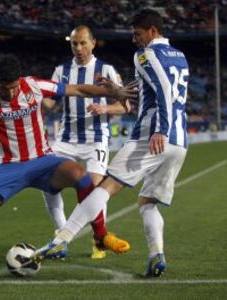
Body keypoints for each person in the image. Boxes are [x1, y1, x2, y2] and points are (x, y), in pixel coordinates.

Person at [0, 54, 137, 281]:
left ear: (19, 80)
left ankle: (100, 236)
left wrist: (113, 93)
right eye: (5, 89)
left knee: (80, 175)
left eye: (14, 87)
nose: (11, 92)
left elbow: (79, 90)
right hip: (7, 167)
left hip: (42, 161)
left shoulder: (33, 86)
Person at [36, 9, 189, 278]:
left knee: (105, 187)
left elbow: (164, 91)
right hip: (180, 142)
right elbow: (154, 91)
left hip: (152, 136)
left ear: (152, 31)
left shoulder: (145, 54)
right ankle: (157, 255)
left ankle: (63, 238)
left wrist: (160, 130)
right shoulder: (180, 56)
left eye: (137, 34)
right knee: (147, 201)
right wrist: (118, 91)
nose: (134, 40)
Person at [42, 25, 131, 259]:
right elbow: (50, 103)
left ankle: (98, 239)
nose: (79, 48)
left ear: (93, 43)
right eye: (74, 44)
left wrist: (105, 106)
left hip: (96, 139)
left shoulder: (106, 70)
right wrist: (37, 97)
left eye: (83, 43)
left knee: (94, 188)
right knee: (47, 183)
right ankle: (61, 236)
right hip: (66, 139)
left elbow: (125, 106)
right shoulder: (60, 71)